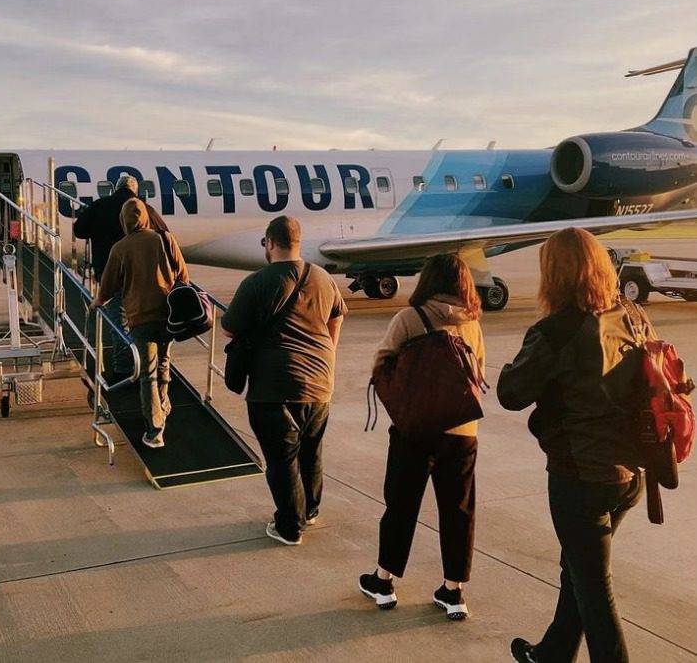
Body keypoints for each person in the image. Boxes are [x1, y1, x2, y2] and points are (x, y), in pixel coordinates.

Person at [498, 228, 648, 663]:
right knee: (580, 572)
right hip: (630, 474)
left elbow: (511, 393)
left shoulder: (555, 331)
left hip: (581, 477)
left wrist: (511, 366)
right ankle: (553, 653)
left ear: (555, 275)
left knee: (595, 588)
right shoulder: (631, 314)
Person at [358, 254, 485, 621]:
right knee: (458, 510)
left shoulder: (409, 318)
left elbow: (380, 363)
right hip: (462, 431)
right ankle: (453, 591)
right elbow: (477, 371)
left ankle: (384, 581)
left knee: (401, 504)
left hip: (415, 430)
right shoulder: (471, 322)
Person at [221, 216, 347, 546]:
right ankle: (310, 510)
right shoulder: (322, 277)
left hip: (273, 387)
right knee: (311, 450)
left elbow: (229, 329)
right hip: (319, 383)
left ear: (271, 243)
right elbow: (337, 317)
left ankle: (290, 526)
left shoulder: (257, 282)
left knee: (282, 458)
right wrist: (327, 354)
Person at [90, 198, 188, 449]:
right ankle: (163, 405)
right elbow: (184, 276)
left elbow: (108, 287)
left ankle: (155, 430)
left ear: (123, 221)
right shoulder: (164, 239)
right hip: (168, 315)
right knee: (163, 363)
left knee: (147, 374)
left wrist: (97, 302)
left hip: (141, 318)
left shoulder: (120, 248)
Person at [73, 175, 167, 376]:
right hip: (142, 277)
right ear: (135, 190)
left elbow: (79, 230)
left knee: (120, 323)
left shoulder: (100, 206)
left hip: (110, 274)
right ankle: (150, 365)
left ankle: (124, 368)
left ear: (115, 188)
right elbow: (164, 234)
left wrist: (100, 299)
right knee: (145, 320)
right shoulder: (145, 209)